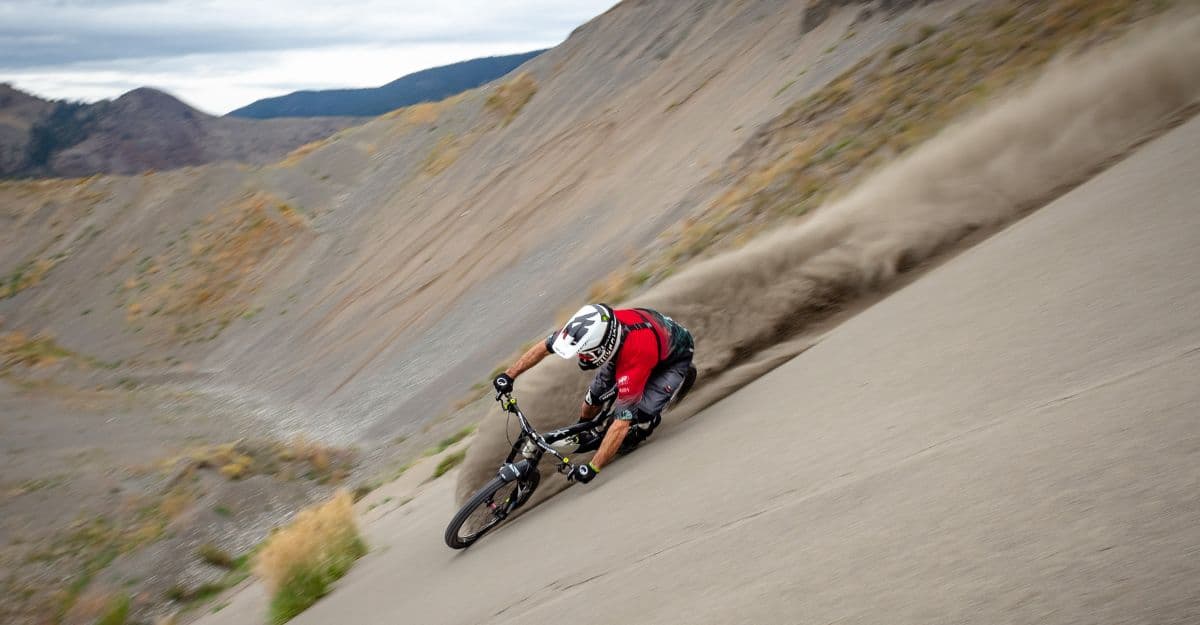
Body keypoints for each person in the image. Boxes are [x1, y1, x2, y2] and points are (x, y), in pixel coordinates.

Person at [493, 303, 695, 485]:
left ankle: (644, 427)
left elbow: (622, 423)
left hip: (672, 360)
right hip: (642, 338)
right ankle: (584, 430)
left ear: (605, 348)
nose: (581, 356)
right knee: (592, 399)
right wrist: (509, 376)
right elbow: (544, 347)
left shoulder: (635, 358)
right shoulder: (591, 329)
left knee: (636, 413)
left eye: (586, 352)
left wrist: (593, 467)